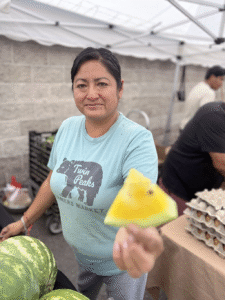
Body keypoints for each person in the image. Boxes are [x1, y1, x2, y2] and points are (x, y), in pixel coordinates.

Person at [0, 47, 163, 300]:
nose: (91, 94)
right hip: (82, 255)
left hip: (122, 262)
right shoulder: (67, 128)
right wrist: (24, 221)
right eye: (81, 85)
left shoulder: (136, 140)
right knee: (79, 293)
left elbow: (141, 192)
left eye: (101, 84)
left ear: (119, 88)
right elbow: (52, 181)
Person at [159, 101, 225, 216]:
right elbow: (222, 164)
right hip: (179, 189)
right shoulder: (213, 115)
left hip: (203, 191)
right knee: (172, 230)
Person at [179, 65, 225, 131]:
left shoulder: (199, 86)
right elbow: (207, 116)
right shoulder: (209, 92)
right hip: (193, 131)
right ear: (212, 77)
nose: (221, 84)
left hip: (184, 126)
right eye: (221, 79)